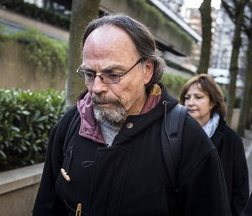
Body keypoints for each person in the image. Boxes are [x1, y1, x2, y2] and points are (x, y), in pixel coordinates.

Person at [32, 13, 231, 216]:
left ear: (147, 70)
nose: (96, 88)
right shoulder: (70, 124)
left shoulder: (187, 139)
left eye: (113, 74)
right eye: (90, 74)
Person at [179, 74, 249, 216]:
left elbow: (240, 191)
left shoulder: (232, 141)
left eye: (198, 97)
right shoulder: (174, 135)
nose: (190, 102)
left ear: (212, 102)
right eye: (187, 97)